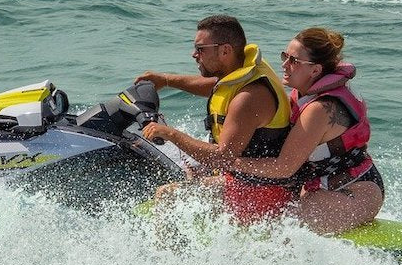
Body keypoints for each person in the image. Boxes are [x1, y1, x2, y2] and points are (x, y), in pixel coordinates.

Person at [144, 26, 383, 235]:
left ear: (316, 70)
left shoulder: (320, 110)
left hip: (353, 191)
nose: (284, 65)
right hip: (310, 185)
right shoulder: (300, 90)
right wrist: (166, 80)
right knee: (173, 195)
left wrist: (226, 161)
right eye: (284, 56)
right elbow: (226, 88)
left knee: (281, 229)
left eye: (294, 61)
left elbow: (283, 167)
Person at [135, 14, 294, 224]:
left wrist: (170, 133)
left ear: (225, 50)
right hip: (240, 177)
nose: (194, 55)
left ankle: (170, 257)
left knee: (167, 196)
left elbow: (222, 157)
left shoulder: (249, 98)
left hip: (260, 192)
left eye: (201, 49)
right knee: (187, 171)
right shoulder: (243, 70)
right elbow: (216, 86)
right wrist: (165, 80)